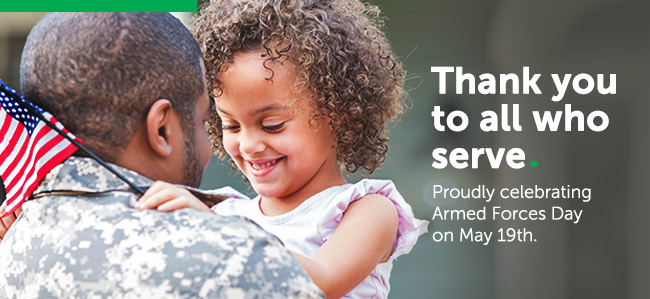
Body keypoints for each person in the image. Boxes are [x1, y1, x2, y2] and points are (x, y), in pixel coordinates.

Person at [0, 12, 323, 299]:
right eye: (205, 121)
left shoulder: (11, 249)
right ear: (162, 130)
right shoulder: (236, 262)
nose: (248, 145)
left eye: (271, 125)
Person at [136, 1, 429, 298]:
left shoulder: (367, 210)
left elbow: (321, 283)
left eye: (272, 125)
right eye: (231, 126)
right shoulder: (225, 211)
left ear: (338, 113)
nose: (249, 145)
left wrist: (216, 229)